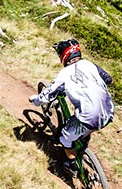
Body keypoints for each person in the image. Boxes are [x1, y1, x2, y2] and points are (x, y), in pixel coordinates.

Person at [29, 39, 114, 175]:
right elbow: (108, 79)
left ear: (64, 56)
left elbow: (48, 95)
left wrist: (36, 101)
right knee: (87, 127)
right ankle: (83, 141)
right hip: (109, 111)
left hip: (89, 117)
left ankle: (71, 164)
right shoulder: (89, 64)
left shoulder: (64, 74)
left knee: (64, 137)